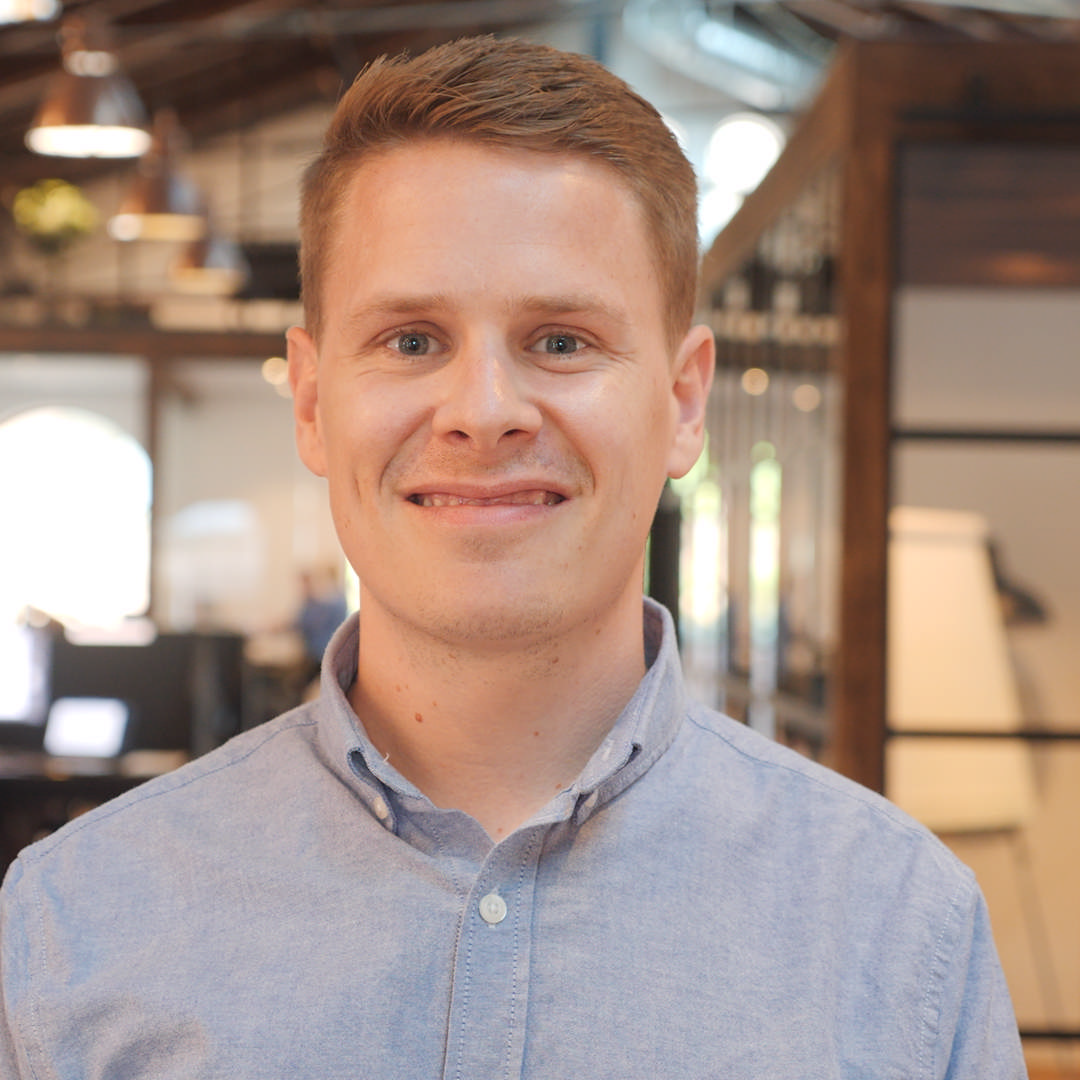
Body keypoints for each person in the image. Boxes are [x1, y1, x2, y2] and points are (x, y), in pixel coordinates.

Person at [0, 36, 1025, 1079]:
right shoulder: (74, 923)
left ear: (682, 403)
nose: (483, 411)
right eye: (411, 340)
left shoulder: (900, 930)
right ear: (311, 402)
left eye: (561, 341)